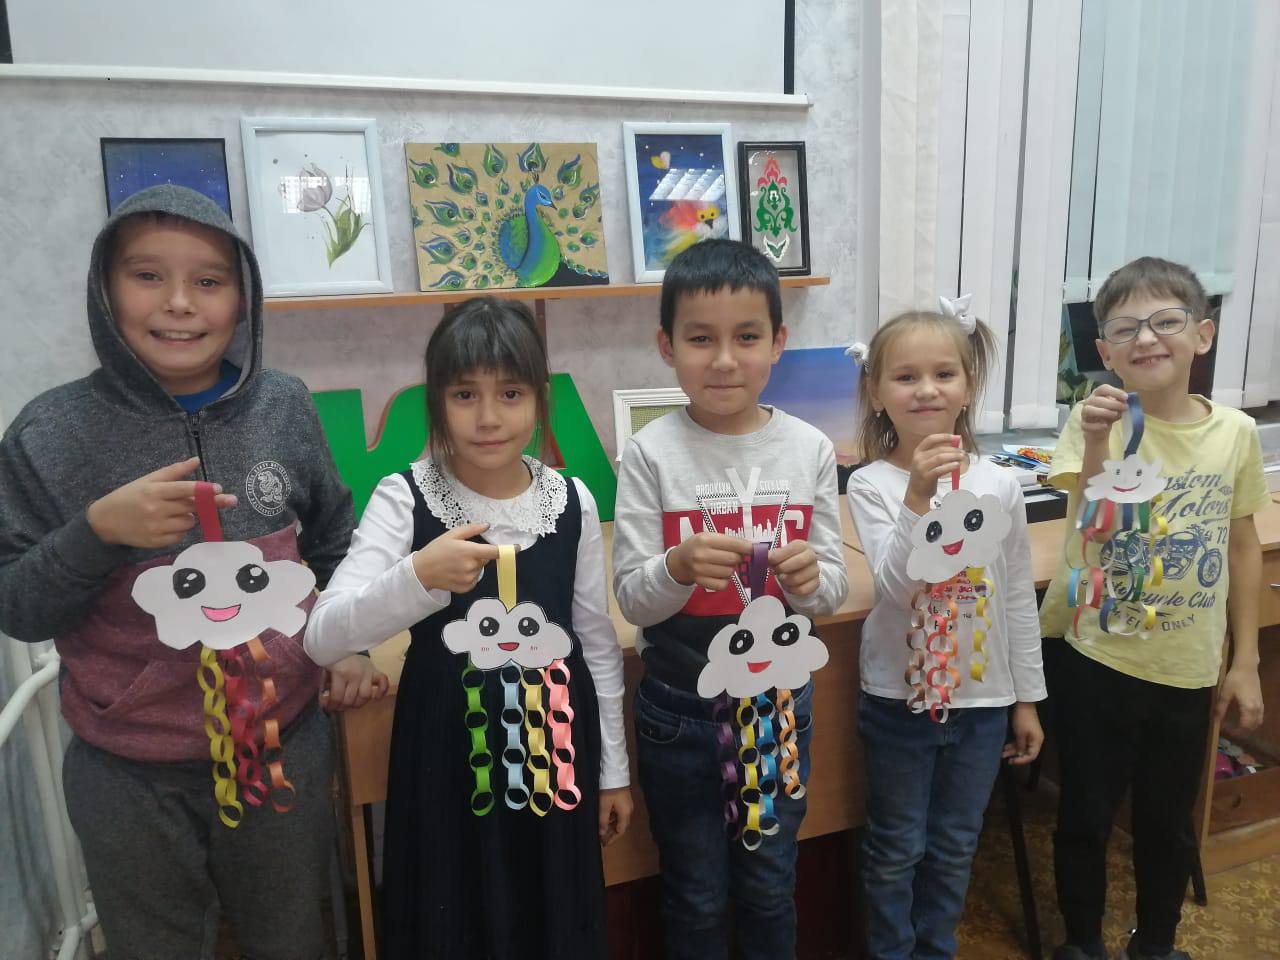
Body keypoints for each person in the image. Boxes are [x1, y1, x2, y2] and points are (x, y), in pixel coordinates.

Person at [0, 184, 382, 960]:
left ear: (243, 300)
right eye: (147, 276)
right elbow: (19, 607)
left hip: (282, 744)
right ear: (105, 290)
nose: (178, 303)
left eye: (208, 281)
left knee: (290, 939)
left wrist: (348, 642)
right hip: (128, 774)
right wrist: (96, 533)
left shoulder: (284, 406)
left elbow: (336, 542)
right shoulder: (51, 431)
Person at [305, 295, 632, 960]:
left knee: (551, 916)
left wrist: (613, 773)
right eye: (464, 394)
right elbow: (324, 635)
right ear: (437, 402)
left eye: (510, 393)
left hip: (554, 754)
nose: (488, 417)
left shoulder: (572, 500)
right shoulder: (406, 495)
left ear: (539, 400)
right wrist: (418, 577)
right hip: (448, 755)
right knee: (456, 918)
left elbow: (596, 645)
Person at [612, 238, 848, 960]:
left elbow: (832, 592)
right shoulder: (650, 453)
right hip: (678, 710)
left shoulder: (810, 448)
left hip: (777, 710)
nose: (723, 360)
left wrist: (810, 582)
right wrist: (677, 567)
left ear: (778, 342)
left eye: (746, 337)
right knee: (695, 892)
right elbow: (633, 599)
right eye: (700, 339)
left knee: (770, 885)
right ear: (666, 346)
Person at [1040, 258, 1269, 960]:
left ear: (1202, 335)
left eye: (1166, 321)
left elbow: (1242, 546)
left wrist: (1245, 662)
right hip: (1098, 656)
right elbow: (1096, 524)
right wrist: (1099, 438)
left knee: (1169, 822)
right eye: (1125, 328)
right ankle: (1083, 942)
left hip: (1187, 667)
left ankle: (1157, 944)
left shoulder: (1235, 432)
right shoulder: (1095, 421)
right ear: (1104, 351)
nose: (1146, 338)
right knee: (1085, 814)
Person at [845, 299, 1045, 960]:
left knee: (956, 845)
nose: (926, 389)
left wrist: (1026, 699)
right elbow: (898, 587)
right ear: (877, 393)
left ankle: (936, 949)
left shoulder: (1002, 485)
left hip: (983, 704)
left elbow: (1015, 597)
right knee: (895, 848)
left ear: (967, 386)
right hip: (897, 700)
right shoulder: (871, 485)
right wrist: (916, 498)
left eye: (943, 374)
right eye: (905, 377)